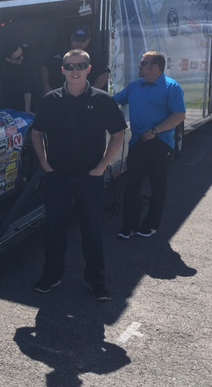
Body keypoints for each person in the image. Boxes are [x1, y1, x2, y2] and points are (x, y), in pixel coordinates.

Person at [31, 49, 126, 301]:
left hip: (90, 177)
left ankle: (96, 281)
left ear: (88, 69)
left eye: (80, 66)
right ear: (62, 70)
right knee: (54, 230)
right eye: (70, 66)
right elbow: (36, 132)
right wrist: (44, 163)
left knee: (91, 231)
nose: (75, 71)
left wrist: (103, 166)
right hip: (57, 177)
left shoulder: (103, 100)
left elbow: (118, 134)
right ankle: (51, 275)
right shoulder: (50, 100)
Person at [113, 52, 186, 239]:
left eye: (143, 63)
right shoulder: (135, 86)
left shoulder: (171, 87)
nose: (140, 66)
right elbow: (114, 101)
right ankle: (129, 226)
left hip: (160, 143)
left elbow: (179, 115)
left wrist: (155, 131)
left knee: (158, 186)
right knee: (132, 185)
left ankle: (151, 225)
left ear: (156, 67)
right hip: (138, 143)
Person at [41, 25, 110, 94]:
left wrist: (91, 92)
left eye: (82, 40)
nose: (78, 43)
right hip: (59, 95)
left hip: (83, 96)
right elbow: (45, 66)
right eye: (76, 39)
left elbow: (105, 73)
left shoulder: (95, 56)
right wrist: (46, 85)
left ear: (88, 40)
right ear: (71, 38)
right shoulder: (59, 53)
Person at [0, 43, 34, 113]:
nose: (22, 57)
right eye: (18, 57)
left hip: (25, 93)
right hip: (5, 93)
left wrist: (28, 110)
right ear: (8, 59)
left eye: (22, 53)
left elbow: (27, 86)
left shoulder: (26, 59)